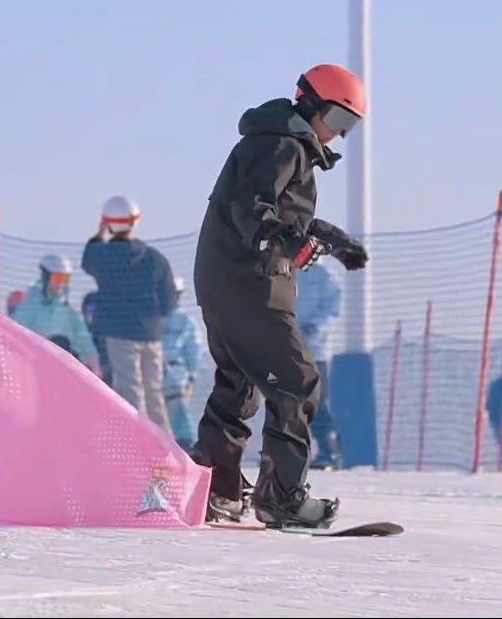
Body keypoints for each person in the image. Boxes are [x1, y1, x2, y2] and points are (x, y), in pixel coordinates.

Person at [191, 64, 369, 528]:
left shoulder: (281, 144)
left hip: (228, 280)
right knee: (298, 381)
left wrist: (333, 241)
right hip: (249, 283)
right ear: (310, 103)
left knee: (240, 385)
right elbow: (253, 207)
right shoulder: (280, 144)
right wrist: (290, 243)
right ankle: (281, 497)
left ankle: (215, 488)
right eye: (336, 119)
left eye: (348, 127)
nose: (337, 134)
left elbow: (282, 215)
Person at [81, 196, 177, 433]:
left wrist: (99, 233)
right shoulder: (155, 259)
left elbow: (87, 260)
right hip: (151, 334)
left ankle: (136, 442)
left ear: (107, 222)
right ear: (136, 220)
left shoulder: (104, 256)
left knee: (129, 389)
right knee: (154, 391)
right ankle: (164, 449)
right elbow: (169, 303)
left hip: (118, 333)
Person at [10, 254, 99, 367]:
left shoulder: (66, 309)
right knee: (57, 341)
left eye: (65, 279)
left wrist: (91, 357)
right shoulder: (30, 306)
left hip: (64, 364)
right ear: (46, 277)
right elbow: (18, 336)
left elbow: (81, 335)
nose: (61, 283)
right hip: (37, 363)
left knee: (62, 342)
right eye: (57, 278)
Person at [296, 261, 343, 470]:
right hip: (286, 348)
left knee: (316, 401)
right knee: (286, 401)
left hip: (315, 350)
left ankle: (328, 450)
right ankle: (291, 453)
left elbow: (333, 308)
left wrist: (314, 326)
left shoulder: (322, 275)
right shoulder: (281, 268)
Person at [161, 277, 201, 450]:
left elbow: (193, 351)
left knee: (177, 412)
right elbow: (193, 351)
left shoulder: (184, 320)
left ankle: (184, 449)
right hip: (159, 373)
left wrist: (190, 376)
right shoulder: (183, 320)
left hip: (174, 374)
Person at [82, 290, 112, 386]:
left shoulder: (109, 341)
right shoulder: (80, 335)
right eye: (89, 309)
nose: (91, 313)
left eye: (94, 309)